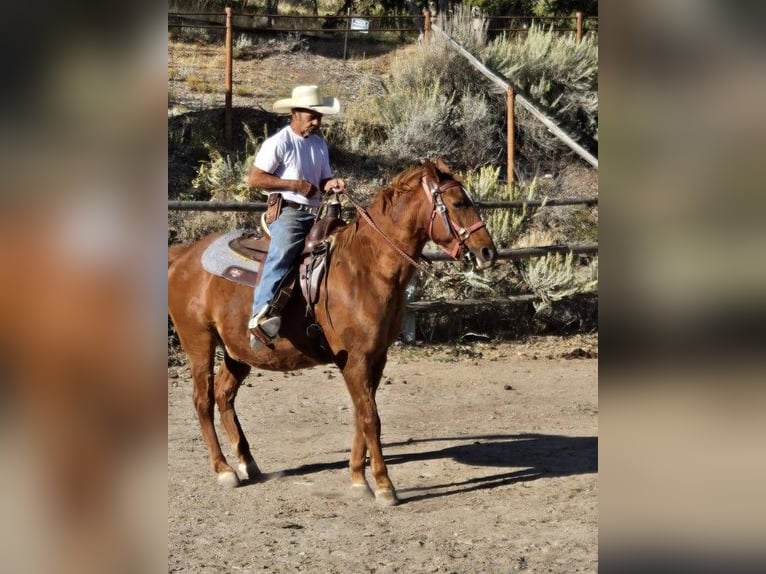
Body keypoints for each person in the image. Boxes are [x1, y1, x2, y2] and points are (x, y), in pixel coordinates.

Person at [247, 85, 346, 346]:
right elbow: (255, 178)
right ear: (294, 113)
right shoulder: (280, 142)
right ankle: (260, 314)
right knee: (283, 253)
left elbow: (322, 179)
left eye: (319, 116)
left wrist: (331, 183)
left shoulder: (319, 144)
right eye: (311, 115)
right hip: (289, 211)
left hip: (316, 212)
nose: (316, 121)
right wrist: (295, 185)